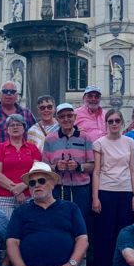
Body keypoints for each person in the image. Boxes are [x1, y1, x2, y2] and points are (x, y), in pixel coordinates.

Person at [90, 109, 134, 266]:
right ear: (106, 123)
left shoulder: (130, 142)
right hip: (106, 191)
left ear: (122, 122)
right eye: (111, 121)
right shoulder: (99, 143)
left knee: (123, 233)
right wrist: (95, 197)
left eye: (117, 120)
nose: (114, 124)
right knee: (105, 235)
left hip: (125, 191)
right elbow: (97, 171)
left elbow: (132, 169)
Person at [40, 103, 94, 251]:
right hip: (59, 187)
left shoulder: (85, 137)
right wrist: (56, 167)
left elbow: (92, 165)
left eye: (69, 115)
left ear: (75, 117)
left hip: (81, 189)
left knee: (81, 223)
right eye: (62, 116)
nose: (66, 119)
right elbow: (44, 167)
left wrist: (78, 166)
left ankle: (81, 258)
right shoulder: (50, 139)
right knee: (59, 222)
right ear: (57, 118)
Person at [0, 114, 41, 218]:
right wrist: (16, 191)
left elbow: (37, 171)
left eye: (18, 124)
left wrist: (23, 185)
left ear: (24, 128)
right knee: (8, 229)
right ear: (7, 129)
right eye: (12, 125)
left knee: (28, 228)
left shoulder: (32, 148)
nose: (15, 127)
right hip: (3, 197)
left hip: (29, 196)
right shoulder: (0, 147)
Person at [0, 81, 35, 154]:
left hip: (22, 160)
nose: (8, 94)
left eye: (12, 92)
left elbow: (34, 137)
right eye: (5, 91)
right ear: (0, 95)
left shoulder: (26, 113)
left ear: (17, 95)